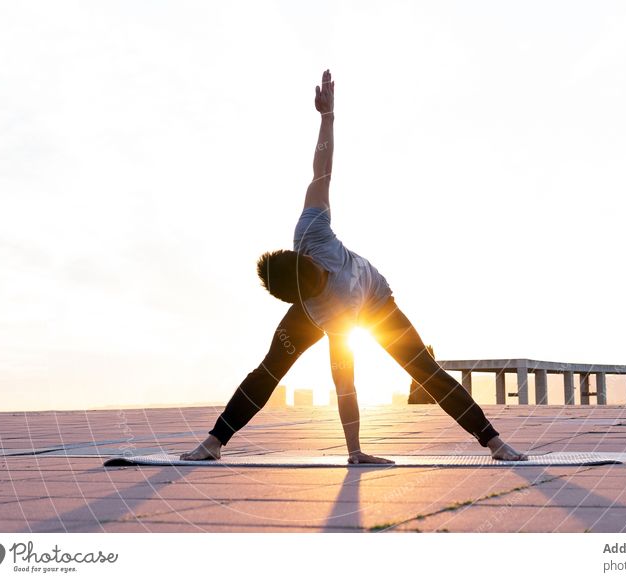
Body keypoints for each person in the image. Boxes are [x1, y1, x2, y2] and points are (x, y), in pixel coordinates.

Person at [181, 70, 527, 463]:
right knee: (269, 371)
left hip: (378, 304)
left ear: (303, 254)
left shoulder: (310, 231)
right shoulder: (331, 312)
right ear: (303, 299)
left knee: (425, 369)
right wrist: (355, 451)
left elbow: (322, 170)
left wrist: (327, 118)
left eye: (315, 264)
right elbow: (344, 380)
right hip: (346, 310)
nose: (322, 268)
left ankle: (495, 443)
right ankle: (212, 444)